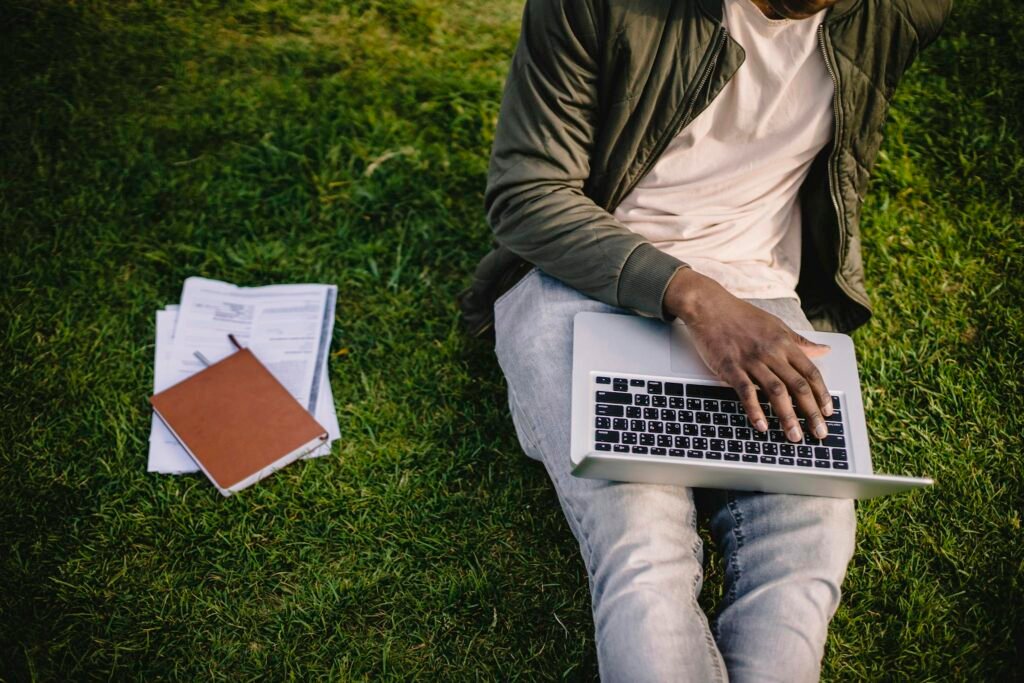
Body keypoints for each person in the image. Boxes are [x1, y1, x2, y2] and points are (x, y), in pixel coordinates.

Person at [459, 0, 951, 679]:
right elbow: (527, 196)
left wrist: (738, 303)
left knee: (810, 547)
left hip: (764, 292)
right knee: (644, 549)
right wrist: (699, 300)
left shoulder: (892, 12)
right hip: (585, 277)